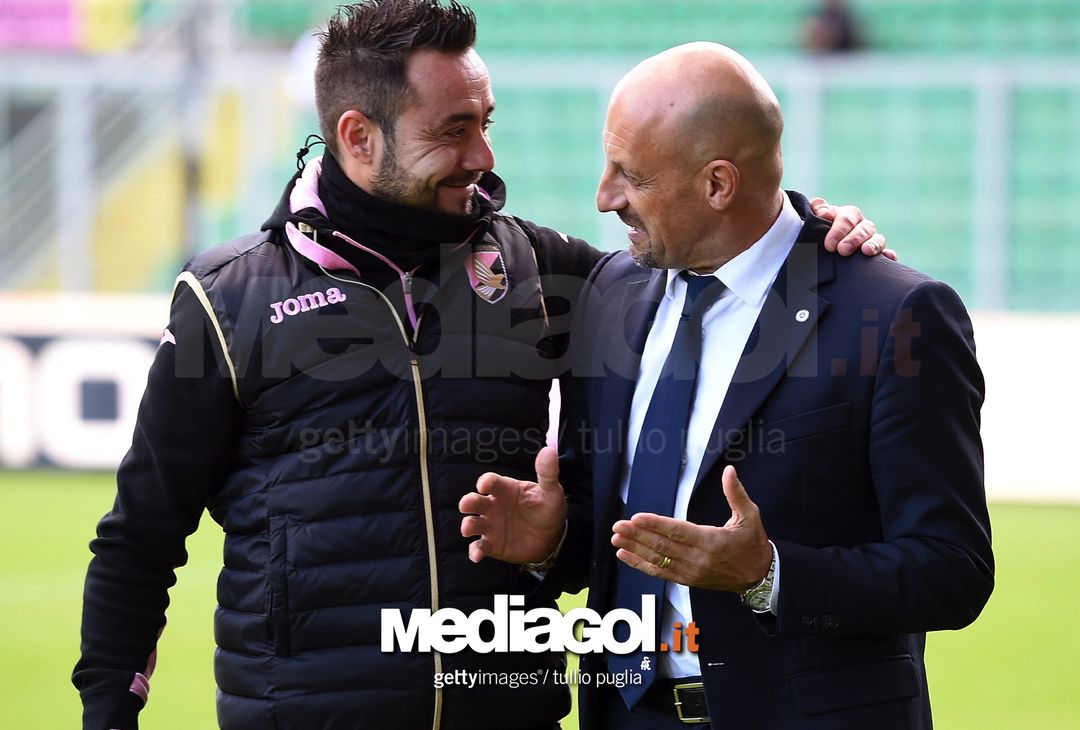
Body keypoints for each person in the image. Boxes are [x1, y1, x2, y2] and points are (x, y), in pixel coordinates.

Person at [72, 1, 887, 728]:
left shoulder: (540, 268)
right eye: (452, 130)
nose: (482, 154)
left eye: (485, 120)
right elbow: (141, 536)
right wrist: (110, 705)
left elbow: (713, 236)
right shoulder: (229, 299)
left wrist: (811, 225)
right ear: (359, 136)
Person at [461, 42, 993, 729]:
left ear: (717, 184)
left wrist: (768, 574)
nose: (603, 197)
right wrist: (556, 539)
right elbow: (620, 523)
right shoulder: (610, 293)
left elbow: (950, 570)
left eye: (629, 175)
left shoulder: (892, 315)